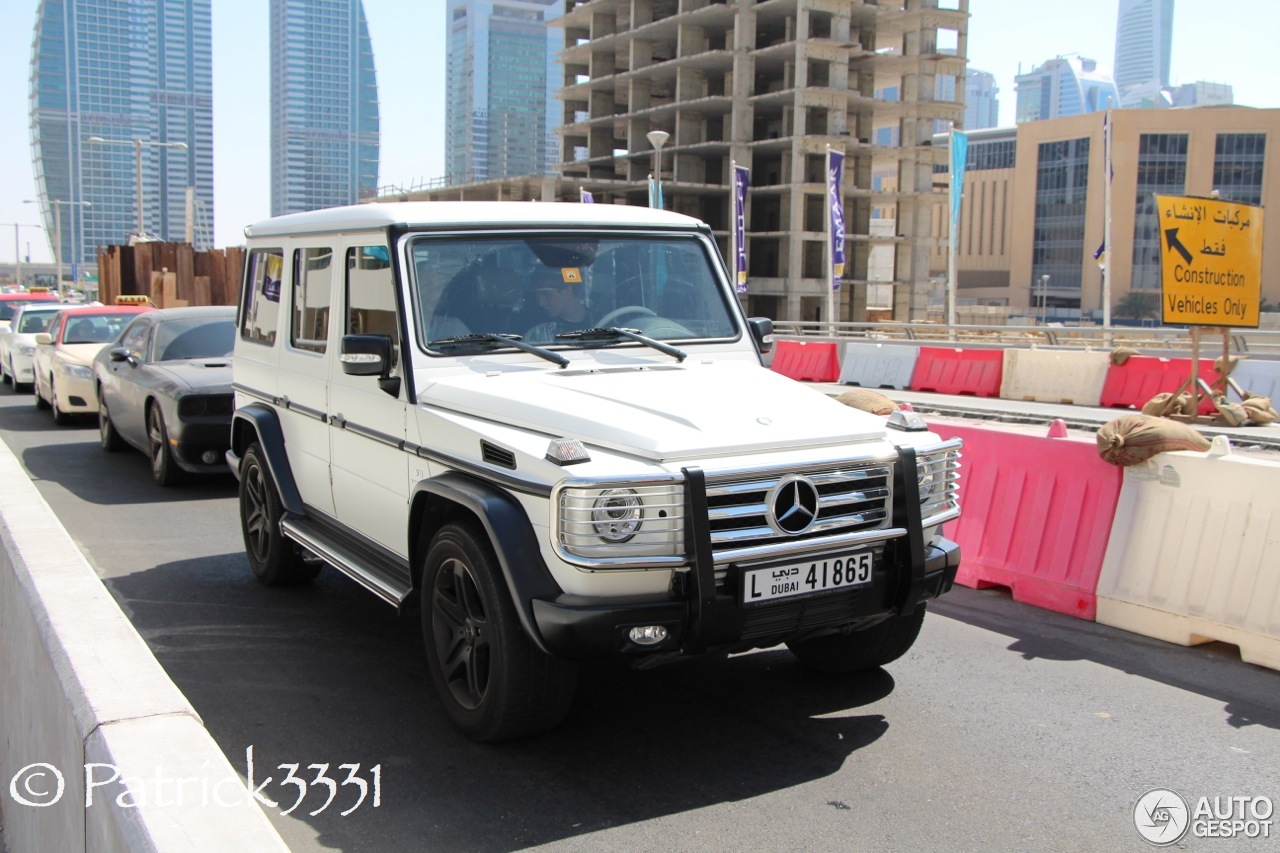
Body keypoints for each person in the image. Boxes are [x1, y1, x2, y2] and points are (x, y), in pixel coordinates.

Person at [523, 268, 588, 344]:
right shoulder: (539, 333)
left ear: (568, 291)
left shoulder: (601, 325)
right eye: (538, 295)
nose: (541, 302)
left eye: (546, 293)